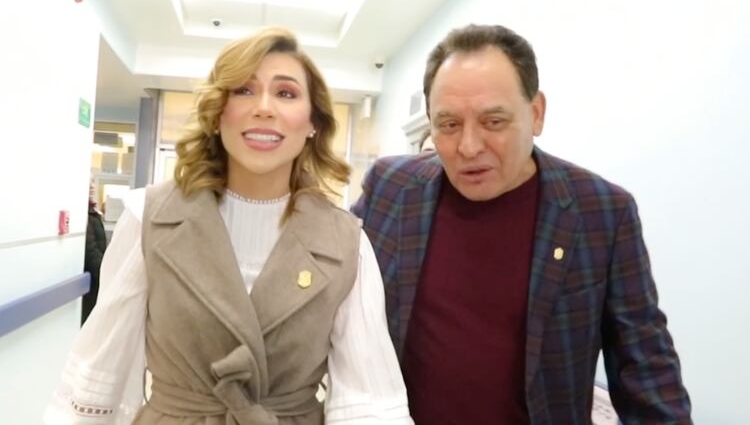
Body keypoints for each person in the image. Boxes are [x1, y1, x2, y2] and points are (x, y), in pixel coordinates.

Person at [46, 27, 412, 424]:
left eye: (286, 93)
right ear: (218, 114)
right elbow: (99, 374)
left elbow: (366, 404)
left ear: (313, 123)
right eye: (243, 90)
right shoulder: (148, 218)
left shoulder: (346, 243)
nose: (264, 107)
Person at [352, 24, 691, 424]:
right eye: (449, 124)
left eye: (494, 121)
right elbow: (331, 290)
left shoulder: (601, 212)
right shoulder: (391, 189)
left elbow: (646, 370)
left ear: (536, 113)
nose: (469, 147)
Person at [81, 179, 107, 325]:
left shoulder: (92, 212)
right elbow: (91, 253)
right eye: (87, 181)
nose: (92, 185)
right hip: (88, 288)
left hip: (94, 285)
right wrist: (109, 271)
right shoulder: (83, 215)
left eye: (92, 181)